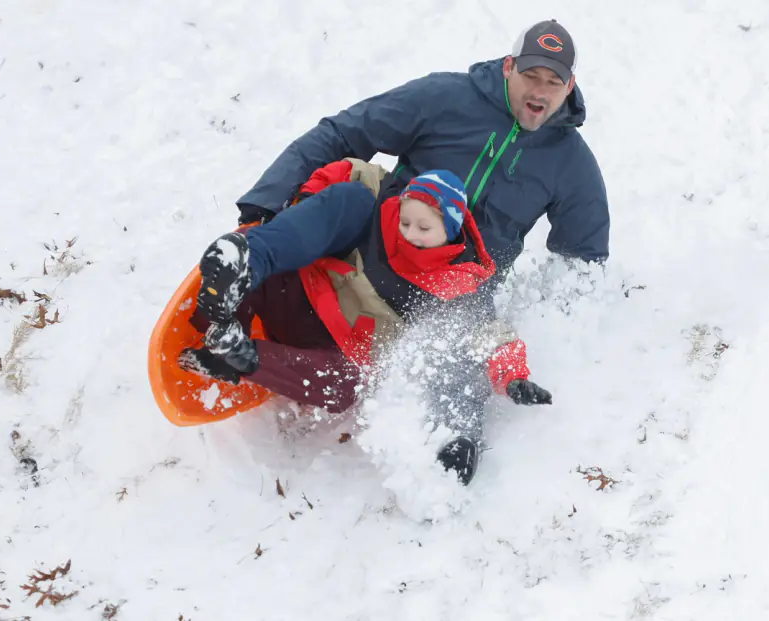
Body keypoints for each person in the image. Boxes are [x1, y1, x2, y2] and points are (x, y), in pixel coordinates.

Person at [182, 160, 552, 484]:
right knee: (273, 268)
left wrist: (513, 377)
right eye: (406, 221)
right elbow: (346, 172)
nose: (409, 233)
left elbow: (491, 337)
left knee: (346, 387)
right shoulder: (376, 207)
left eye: (424, 228)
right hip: (308, 294)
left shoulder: (459, 284)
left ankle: (241, 357)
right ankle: (221, 320)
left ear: (451, 231)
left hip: (339, 347)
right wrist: (308, 197)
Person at [235, 19, 609, 279]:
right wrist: (266, 201)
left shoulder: (572, 163)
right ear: (509, 67)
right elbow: (345, 132)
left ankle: (259, 359)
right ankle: (246, 267)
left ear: (571, 84)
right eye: (530, 76)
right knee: (348, 197)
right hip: (381, 250)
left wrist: (539, 325)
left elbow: (581, 266)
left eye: (553, 82)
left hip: (454, 300)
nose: (540, 92)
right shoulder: (446, 97)